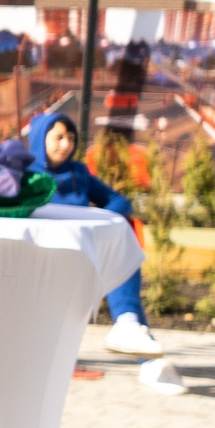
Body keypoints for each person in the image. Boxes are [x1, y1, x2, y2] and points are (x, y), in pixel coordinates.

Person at [29, 110, 161, 355]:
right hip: (41, 257)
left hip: (81, 252)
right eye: (58, 137)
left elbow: (119, 201)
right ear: (40, 139)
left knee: (122, 245)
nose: (66, 144)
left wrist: (97, 219)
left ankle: (129, 326)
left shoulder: (79, 173)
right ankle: (143, 350)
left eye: (71, 137)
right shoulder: (24, 174)